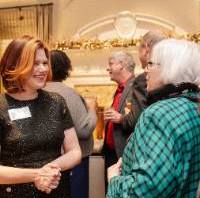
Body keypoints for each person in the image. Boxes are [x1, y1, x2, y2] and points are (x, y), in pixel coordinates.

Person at [107, 39, 200, 198]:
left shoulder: (158, 113)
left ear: (169, 69)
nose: (145, 70)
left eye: (150, 64)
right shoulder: (193, 105)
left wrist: (114, 180)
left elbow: (147, 189)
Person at [0, 36, 81, 198]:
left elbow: (75, 152)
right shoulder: (2, 106)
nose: (43, 69)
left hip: (57, 190)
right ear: (15, 65)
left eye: (45, 63)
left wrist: (48, 170)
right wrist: (38, 175)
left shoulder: (56, 102)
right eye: (35, 64)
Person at [44, 50, 98, 198]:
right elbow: (83, 129)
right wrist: (93, 110)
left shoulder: (37, 91)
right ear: (66, 68)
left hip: (48, 160)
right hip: (72, 161)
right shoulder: (68, 93)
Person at [102, 51, 146, 189]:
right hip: (111, 152)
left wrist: (120, 118)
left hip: (124, 155)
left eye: (111, 64)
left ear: (121, 65)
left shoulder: (136, 87)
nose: (107, 68)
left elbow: (139, 120)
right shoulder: (119, 89)